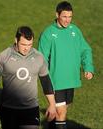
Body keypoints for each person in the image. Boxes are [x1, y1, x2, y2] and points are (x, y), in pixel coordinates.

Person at [0, 26, 57, 129]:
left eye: (29, 45)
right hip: (8, 109)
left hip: (31, 109)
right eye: (23, 44)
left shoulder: (38, 57)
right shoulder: (4, 56)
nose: (26, 48)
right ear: (16, 40)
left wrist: (52, 104)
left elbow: (46, 82)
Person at [38, 1, 94, 129]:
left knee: (59, 112)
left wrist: (88, 67)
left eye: (70, 17)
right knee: (61, 112)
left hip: (71, 80)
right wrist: (45, 80)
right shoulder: (48, 33)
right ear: (57, 14)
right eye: (64, 16)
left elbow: (85, 49)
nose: (67, 20)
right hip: (55, 81)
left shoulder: (75, 31)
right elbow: (41, 58)